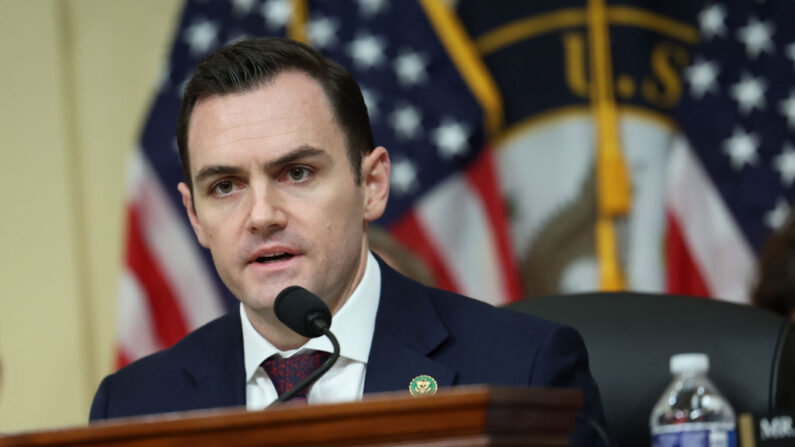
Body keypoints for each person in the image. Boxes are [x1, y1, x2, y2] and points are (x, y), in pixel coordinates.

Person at [89, 37, 605, 445]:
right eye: (225, 187)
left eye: (296, 173)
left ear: (373, 186)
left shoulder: (523, 369)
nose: (262, 216)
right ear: (195, 217)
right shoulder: (133, 405)